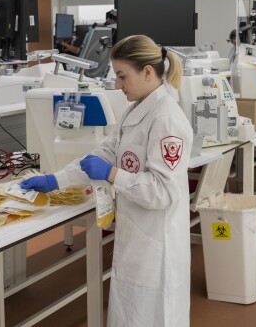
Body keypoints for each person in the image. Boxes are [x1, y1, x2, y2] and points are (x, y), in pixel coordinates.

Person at [20, 35, 193, 326]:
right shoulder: (136, 109)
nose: (118, 84)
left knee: (153, 316)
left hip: (157, 247)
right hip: (136, 237)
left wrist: (112, 175)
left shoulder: (167, 120)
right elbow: (103, 154)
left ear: (147, 72)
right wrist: (56, 179)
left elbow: (163, 192)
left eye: (123, 76)